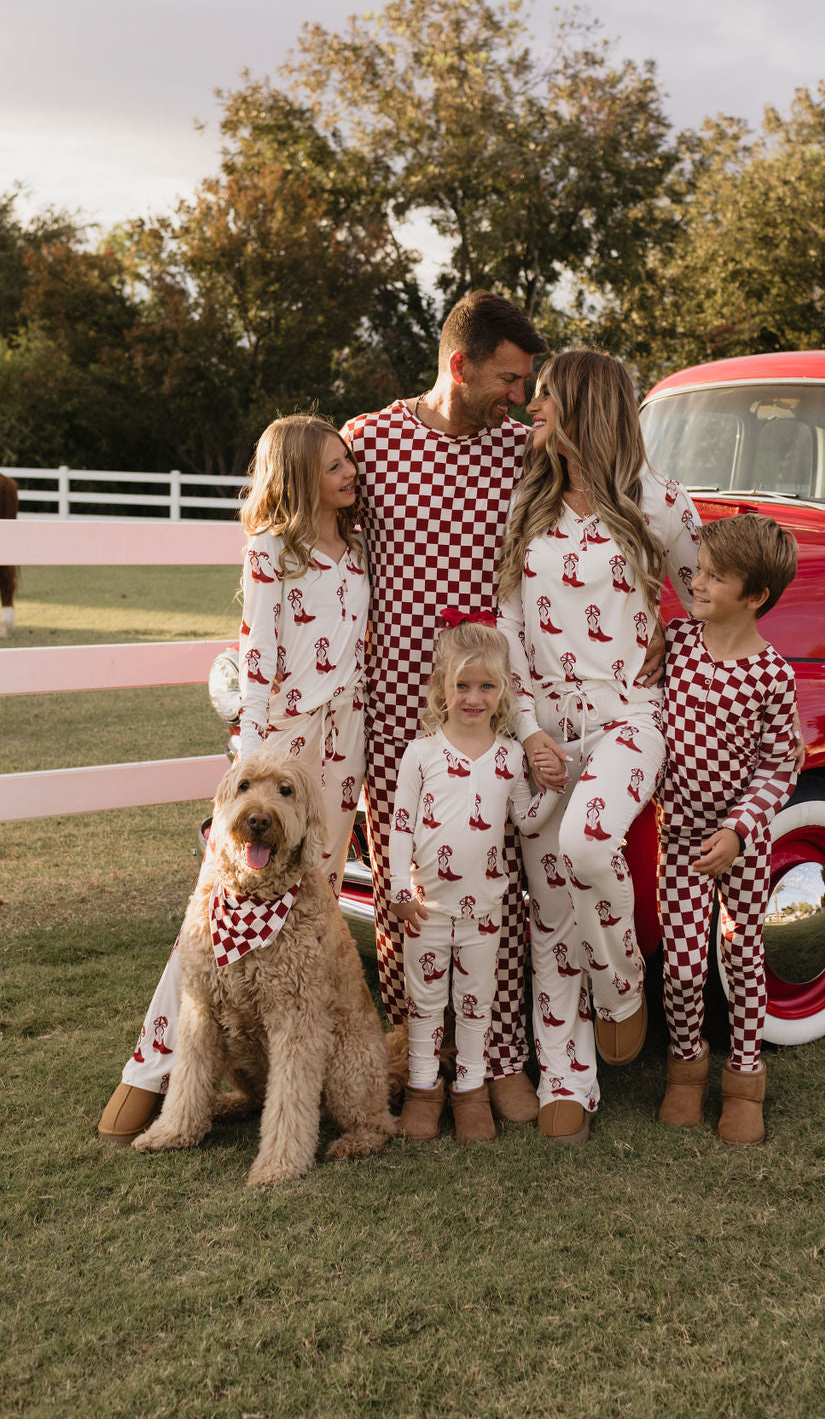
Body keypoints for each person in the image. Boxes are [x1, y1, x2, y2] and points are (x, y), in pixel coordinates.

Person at [99, 415, 369, 1140]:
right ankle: (153, 1068)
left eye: (350, 461)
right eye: (336, 464)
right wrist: (249, 773)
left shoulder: (357, 550)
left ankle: (299, 1074)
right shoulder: (271, 553)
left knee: (311, 906)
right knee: (216, 914)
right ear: (301, 473)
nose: (351, 472)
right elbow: (256, 666)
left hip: (345, 751)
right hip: (284, 747)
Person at [341, 291, 551, 1125]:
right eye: (507, 377)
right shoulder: (370, 441)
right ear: (458, 363)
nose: (518, 395)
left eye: (526, 381)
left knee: (495, 887)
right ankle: (417, 1057)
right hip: (398, 708)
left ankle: (497, 1061)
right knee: (410, 892)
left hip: (490, 712)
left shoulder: (519, 450)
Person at [496, 347, 701, 1144]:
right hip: (547, 727)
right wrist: (530, 732)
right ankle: (568, 1080)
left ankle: (623, 990)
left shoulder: (660, 504)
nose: (531, 408)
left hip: (629, 721)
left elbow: (713, 597)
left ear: (584, 406)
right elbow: (510, 628)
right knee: (549, 912)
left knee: (586, 845)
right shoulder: (528, 504)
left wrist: (674, 642)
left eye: (545, 397)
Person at [388, 612, 560, 1142]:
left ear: (503, 690)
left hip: (485, 909)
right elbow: (398, 827)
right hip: (427, 910)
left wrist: (553, 787)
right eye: (462, 685)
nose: (474, 697)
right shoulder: (421, 754)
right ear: (442, 686)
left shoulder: (509, 758)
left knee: (474, 1002)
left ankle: (470, 1090)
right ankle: (422, 1089)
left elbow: (526, 821)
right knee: (425, 1002)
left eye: (486, 686)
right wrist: (398, 888)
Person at [657, 512, 800, 1146]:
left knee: (742, 955)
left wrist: (741, 830)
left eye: (717, 577)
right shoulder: (678, 643)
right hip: (680, 838)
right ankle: (687, 1071)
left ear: (756, 596)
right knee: (684, 966)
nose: (699, 582)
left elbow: (780, 766)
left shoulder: (773, 676)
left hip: (739, 843)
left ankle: (745, 1079)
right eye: (701, 570)